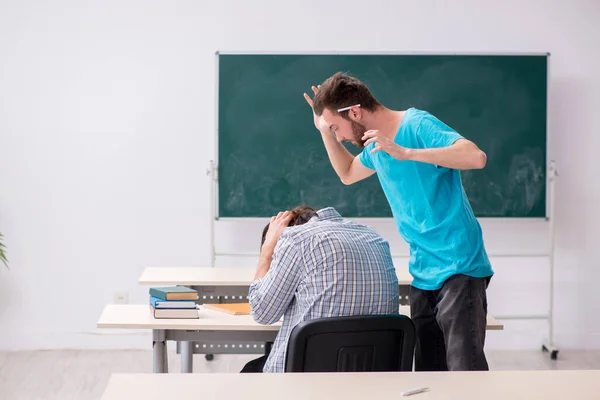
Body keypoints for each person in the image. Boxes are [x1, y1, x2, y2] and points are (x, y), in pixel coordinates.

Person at [304, 72, 494, 371]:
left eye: (336, 127)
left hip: (459, 264)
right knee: (431, 372)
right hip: (423, 270)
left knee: (464, 374)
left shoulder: (416, 124)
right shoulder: (374, 145)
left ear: (354, 112)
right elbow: (348, 173)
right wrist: (324, 131)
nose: (340, 135)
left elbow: (475, 157)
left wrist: (406, 153)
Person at [241, 205, 399, 373]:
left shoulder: (295, 239)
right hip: (374, 376)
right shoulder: (375, 237)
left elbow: (262, 313)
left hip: (306, 378)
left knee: (250, 371)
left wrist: (267, 250)